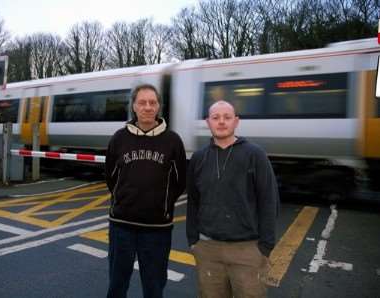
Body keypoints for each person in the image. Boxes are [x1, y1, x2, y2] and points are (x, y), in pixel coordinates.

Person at [186, 100, 279, 298]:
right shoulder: (199, 158)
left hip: (247, 250)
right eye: (215, 117)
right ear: (207, 122)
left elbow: (269, 201)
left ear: (236, 122)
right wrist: (193, 240)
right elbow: (193, 201)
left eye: (227, 117)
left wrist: (265, 247)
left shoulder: (255, 154)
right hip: (208, 249)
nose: (221, 122)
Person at [105, 83, 187, 298]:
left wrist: (164, 205)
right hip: (121, 225)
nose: (147, 107)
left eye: (152, 102)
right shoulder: (119, 138)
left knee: (154, 287)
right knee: (117, 284)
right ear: (134, 106)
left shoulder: (173, 141)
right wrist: (123, 200)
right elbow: (111, 177)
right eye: (142, 102)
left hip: (157, 228)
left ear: (159, 106)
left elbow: (180, 181)